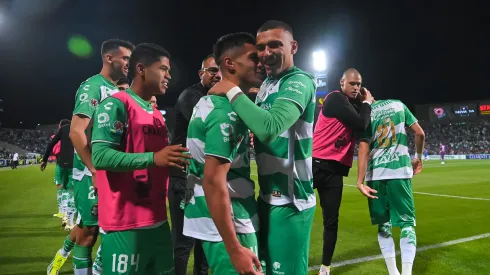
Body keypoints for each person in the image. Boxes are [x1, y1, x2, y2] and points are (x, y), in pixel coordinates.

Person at [209, 20, 316, 274]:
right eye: (261, 47)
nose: (266, 53)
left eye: (275, 45)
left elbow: (270, 128)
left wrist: (232, 91)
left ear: (294, 47)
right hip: (267, 198)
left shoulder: (299, 81)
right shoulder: (268, 83)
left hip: (292, 202)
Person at [91, 42, 190, 275]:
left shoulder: (155, 113)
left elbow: (161, 160)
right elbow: (100, 156)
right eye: (163, 69)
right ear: (141, 69)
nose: (169, 75)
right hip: (125, 223)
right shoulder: (116, 104)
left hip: (157, 220)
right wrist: (154, 158)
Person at [47, 39, 134, 275]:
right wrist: (95, 169)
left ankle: (67, 254)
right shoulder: (92, 87)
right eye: (125, 58)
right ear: (109, 58)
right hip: (91, 173)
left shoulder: (119, 91)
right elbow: (76, 131)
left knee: (108, 230)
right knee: (88, 233)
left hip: (114, 171)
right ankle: (63, 261)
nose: (128, 63)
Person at [183, 32, 264, 275]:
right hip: (230, 223)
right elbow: (213, 181)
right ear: (229, 63)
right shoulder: (225, 112)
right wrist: (234, 249)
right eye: (253, 58)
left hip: (217, 218)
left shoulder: (212, 102)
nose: (260, 63)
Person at [311, 68, 374, 275]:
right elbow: (360, 123)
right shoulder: (336, 99)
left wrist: (366, 103)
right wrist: (367, 103)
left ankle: (325, 267)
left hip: (334, 171)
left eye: (359, 84)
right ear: (342, 83)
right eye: (352, 83)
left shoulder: (349, 104)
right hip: (315, 165)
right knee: (296, 210)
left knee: (331, 221)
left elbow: (364, 122)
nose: (356, 87)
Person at [357, 99, 425, 275]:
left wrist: (360, 180)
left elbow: (363, 148)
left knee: (383, 225)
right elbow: (420, 133)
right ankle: (407, 272)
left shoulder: (366, 113)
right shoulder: (399, 105)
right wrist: (418, 156)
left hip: (375, 175)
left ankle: (393, 273)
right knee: (407, 224)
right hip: (399, 172)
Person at [169, 53, 221, 275]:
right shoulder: (191, 97)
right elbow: (209, 127)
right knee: (184, 242)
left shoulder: (218, 98)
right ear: (201, 74)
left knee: (205, 240)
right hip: (186, 180)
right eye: (212, 71)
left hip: (204, 179)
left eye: (221, 71)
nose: (218, 75)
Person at [41, 119, 76, 231]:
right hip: (74, 163)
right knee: (71, 190)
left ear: (61, 125)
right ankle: (70, 222)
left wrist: (45, 159)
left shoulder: (62, 130)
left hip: (61, 163)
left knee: (63, 188)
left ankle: (63, 214)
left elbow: (51, 144)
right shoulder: (76, 128)